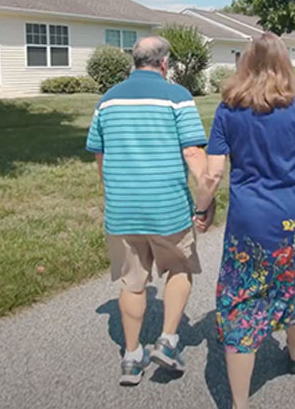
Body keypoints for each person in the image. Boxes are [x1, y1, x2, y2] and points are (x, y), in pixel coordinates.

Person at [193, 33, 295, 409]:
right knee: (294, 285)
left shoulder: (228, 111)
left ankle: (239, 402)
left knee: (242, 304)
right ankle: (294, 352)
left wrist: (202, 209)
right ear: (286, 65)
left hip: (249, 225)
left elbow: (212, 175)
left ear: (244, 64)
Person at [85, 36, 211, 386]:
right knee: (180, 267)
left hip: (123, 210)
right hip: (167, 208)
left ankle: (131, 356)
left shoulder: (107, 101)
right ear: (164, 63)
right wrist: (207, 197)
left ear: (134, 61)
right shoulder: (177, 97)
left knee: (133, 282)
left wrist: (112, 192)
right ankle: (168, 341)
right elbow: (193, 154)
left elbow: (101, 155)